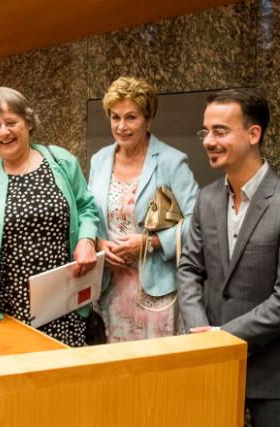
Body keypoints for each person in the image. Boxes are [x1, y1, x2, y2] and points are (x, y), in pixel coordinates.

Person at [177, 89, 280, 427]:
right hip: (215, 361)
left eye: (220, 131)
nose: (208, 141)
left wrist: (222, 337)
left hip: (277, 368)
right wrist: (201, 331)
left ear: (253, 134)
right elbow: (189, 269)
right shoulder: (206, 199)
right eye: (206, 131)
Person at [0, 87, 99, 347]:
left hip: (63, 307)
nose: (4, 132)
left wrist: (86, 239)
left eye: (11, 122)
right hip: (7, 310)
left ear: (28, 122)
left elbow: (87, 207)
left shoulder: (62, 161)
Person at [88, 77, 198, 342]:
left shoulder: (172, 161)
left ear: (148, 119)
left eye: (131, 117)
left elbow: (198, 220)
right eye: (115, 117)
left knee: (155, 374)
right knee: (118, 372)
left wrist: (151, 243)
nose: (122, 126)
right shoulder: (100, 160)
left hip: (157, 291)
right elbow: (88, 212)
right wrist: (99, 242)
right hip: (110, 288)